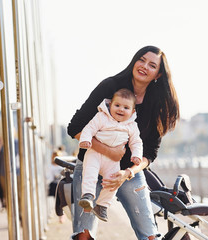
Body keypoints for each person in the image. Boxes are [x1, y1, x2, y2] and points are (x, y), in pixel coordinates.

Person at [67, 45, 179, 240]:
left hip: (127, 173)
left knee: (150, 235)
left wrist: (128, 173)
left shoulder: (157, 103)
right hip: (90, 166)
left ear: (158, 75)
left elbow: (150, 153)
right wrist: (109, 152)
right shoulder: (110, 86)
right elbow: (75, 127)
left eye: (152, 65)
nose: (144, 66)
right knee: (83, 236)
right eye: (141, 60)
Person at [78, 88, 143, 222]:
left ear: (132, 111)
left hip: (112, 161)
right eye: (117, 105)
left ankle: (102, 205)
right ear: (110, 105)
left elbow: (136, 142)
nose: (120, 109)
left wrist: (136, 155)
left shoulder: (132, 126)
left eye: (126, 107)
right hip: (94, 154)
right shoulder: (102, 117)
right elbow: (89, 128)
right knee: (89, 173)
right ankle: (88, 196)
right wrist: (86, 139)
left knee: (112, 182)